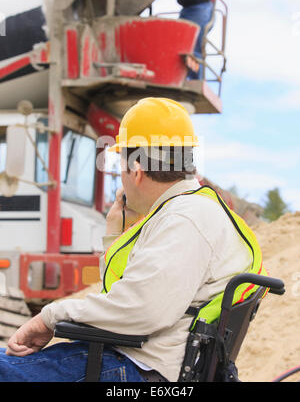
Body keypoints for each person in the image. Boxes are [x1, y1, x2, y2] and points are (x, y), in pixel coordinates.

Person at [0, 98, 265, 382]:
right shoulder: (185, 211)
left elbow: (138, 310)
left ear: (136, 169)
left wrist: (48, 317)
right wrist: (116, 229)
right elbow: (123, 294)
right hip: (135, 361)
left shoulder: (184, 218)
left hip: (137, 369)